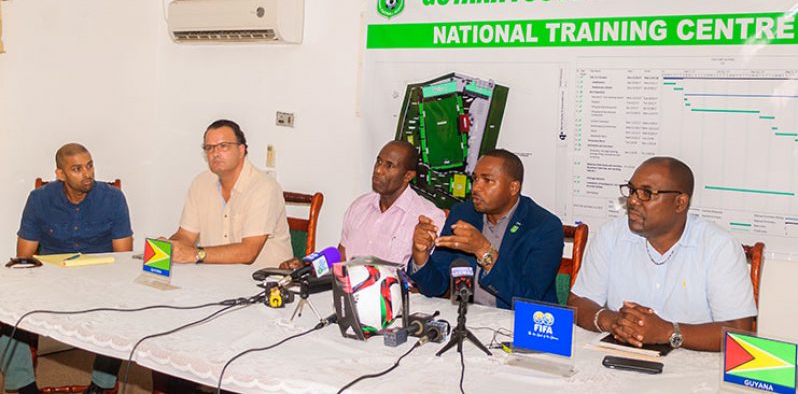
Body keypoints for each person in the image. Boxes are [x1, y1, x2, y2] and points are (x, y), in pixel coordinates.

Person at [568, 156, 756, 352]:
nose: (632, 200)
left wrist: (668, 332)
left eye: (647, 193)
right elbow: (577, 302)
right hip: (620, 356)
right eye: (632, 190)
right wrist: (613, 321)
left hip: (690, 366)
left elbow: (738, 332)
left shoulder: (719, 247)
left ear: (679, 203)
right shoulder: (611, 235)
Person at [1, 143, 133, 394]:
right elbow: (24, 257)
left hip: (99, 282)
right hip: (51, 282)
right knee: (5, 311)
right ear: (60, 174)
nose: (87, 174)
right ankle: (25, 386)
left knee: (125, 310)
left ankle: (100, 386)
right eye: (77, 169)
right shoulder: (39, 199)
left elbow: (124, 257)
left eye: (90, 165)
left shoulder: (113, 198)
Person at [409, 149, 563, 309]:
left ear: (513, 187)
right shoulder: (462, 214)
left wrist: (483, 250)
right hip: (467, 318)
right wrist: (420, 254)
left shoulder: (544, 226)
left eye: (487, 180)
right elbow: (435, 287)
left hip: (520, 324)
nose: (476, 188)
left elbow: (530, 298)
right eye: (475, 179)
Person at [280, 140, 445, 269]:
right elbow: (340, 258)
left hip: (397, 304)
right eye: (378, 162)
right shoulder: (359, 206)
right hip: (349, 297)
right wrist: (306, 266)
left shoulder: (428, 217)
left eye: (389, 166)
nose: (378, 170)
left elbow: (430, 280)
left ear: (408, 176)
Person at [169, 119, 292, 267]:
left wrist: (195, 254)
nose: (215, 153)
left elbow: (248, 252)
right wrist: (171, 247)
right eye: (209, 148)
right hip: (214, 280)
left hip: (264, 283)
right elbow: (186, 236)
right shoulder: (200, 183)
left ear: (241, 150)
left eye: (223, 146)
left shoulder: (264, 187)